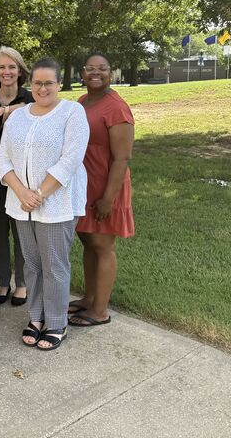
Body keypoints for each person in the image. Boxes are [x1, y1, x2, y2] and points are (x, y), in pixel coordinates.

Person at [0, 58, 89, 351]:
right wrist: (22, 192)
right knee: (32, 265)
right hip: (21, 204)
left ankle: (57, 322)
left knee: (54, 266)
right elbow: (3, 159)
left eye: (49, 82)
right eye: (37, 83)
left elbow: (71, 160)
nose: (43, 88)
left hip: (56, 204)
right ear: (30, 84)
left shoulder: (72, 112)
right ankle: (36, 317)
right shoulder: (18, 116)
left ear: (59, 83)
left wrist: (39, 193)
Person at [69, 54, 135, 327]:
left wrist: (108, 198)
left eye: (102, 69)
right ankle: (90, 298)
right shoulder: (83, 102)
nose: (96, 73)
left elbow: (122, 158)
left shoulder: (116, 108)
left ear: (111, 73)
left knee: (103, 245)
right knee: (88, 242)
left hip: (106, 185)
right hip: (84, 184)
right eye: (91, 69)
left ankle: (100, 311)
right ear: (83, 74)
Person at [0, 46, 33, 307]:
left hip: (22, 178)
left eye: (11, 67)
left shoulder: (31, 98)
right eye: (2, 67)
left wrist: (4, 111)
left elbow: (29, 109)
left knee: (21, 232)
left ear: (20, 70)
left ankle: (22, 283)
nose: (6, 72)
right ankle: (3, 281)